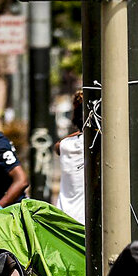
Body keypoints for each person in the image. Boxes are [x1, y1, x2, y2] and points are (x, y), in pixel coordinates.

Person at [55, 91, 85, 224]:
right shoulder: (98, 144)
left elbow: (58, 145)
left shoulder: (64, 145)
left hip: (63, 216)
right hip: (85, 220)